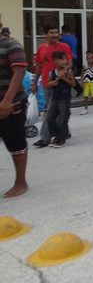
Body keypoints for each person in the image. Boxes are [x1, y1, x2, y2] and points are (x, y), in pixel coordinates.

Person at [31, 24, 73, 147]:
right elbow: (38, 67)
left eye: (56, 32)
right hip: (47, 83)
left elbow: (69, 62)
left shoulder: (64, 46)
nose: (54, 35)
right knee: (51, 111)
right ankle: (59, 133)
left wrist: (63, 72)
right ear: (46, 34)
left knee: (56, 111)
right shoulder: (41, 48)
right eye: (51, 32)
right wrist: (35, 83)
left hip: (62, 84)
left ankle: (45, 137)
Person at [0, 18, 29, 197]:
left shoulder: (11, 45)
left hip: (11, 105)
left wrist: (7, 101)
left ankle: (20, 182)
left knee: (15, 142)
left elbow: (19, 72)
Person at [44, 51, 75, 148]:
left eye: (65, 59)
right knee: (49, 118)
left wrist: (64, 79)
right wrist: (52, 83)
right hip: (54, 98)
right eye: (61, 59)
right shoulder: (52, 72)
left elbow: (73, 84)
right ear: (54, 61)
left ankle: (62, 138)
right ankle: (56, 135)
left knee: (62, 119)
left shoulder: (68, 72)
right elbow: (47, 84)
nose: (64, 61)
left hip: (64, 98)